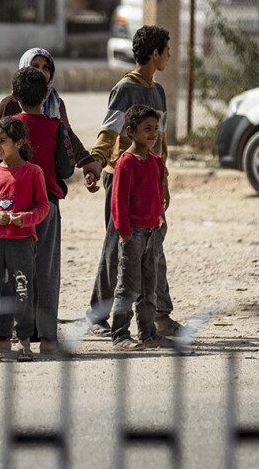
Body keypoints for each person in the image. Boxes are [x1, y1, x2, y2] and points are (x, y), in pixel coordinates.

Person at [84, 25, 184, 337]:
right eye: (166, 51)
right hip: (122, 176)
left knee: (153, 247)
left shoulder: (159, 91)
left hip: (150, 178)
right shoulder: (125, 89)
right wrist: (96, 163)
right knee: (118, 246)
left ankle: (159, 315)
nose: (169, 56)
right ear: (155, 54)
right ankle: (98, 315)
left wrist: (162, 180)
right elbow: (109, 132)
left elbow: (161, 143)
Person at [10, 66, 75, 353]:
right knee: (47, 270)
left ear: (14, 96)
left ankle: (18, 332)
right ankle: (48, 337)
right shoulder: (55, 126)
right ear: (47, 94)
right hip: (47, 205)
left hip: (14, 208)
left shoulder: (8, 126)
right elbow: (67, 167)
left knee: (16, 270)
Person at [0, 116, 49, 361]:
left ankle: (25, 341)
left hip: (22, 242)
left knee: (22, 291)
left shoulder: (32, 172)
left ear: (18, 143)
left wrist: (25, 218)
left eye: (2, 141)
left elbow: (43, 206)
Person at [0, 47, 102, 188]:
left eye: (45, 68)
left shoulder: (56, 103)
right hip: (14, 185)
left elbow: (67, 136)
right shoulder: (10, 104)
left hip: (46, 184)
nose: (40, 72)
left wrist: (87, 161)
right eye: (35, 66)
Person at [109, 105, 166, 350]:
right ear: (131, 131)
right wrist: (124, 232)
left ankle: (147, 332)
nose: (153, 134)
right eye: (147, 129)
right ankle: (120, 335)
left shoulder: (155, 161)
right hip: (133, 234)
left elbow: (158, 195)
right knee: (128, 287)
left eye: (155, 129)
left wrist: (162, 221)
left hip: (153, 232)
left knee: (149, 287)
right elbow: (118, 202)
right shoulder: (126, 163)